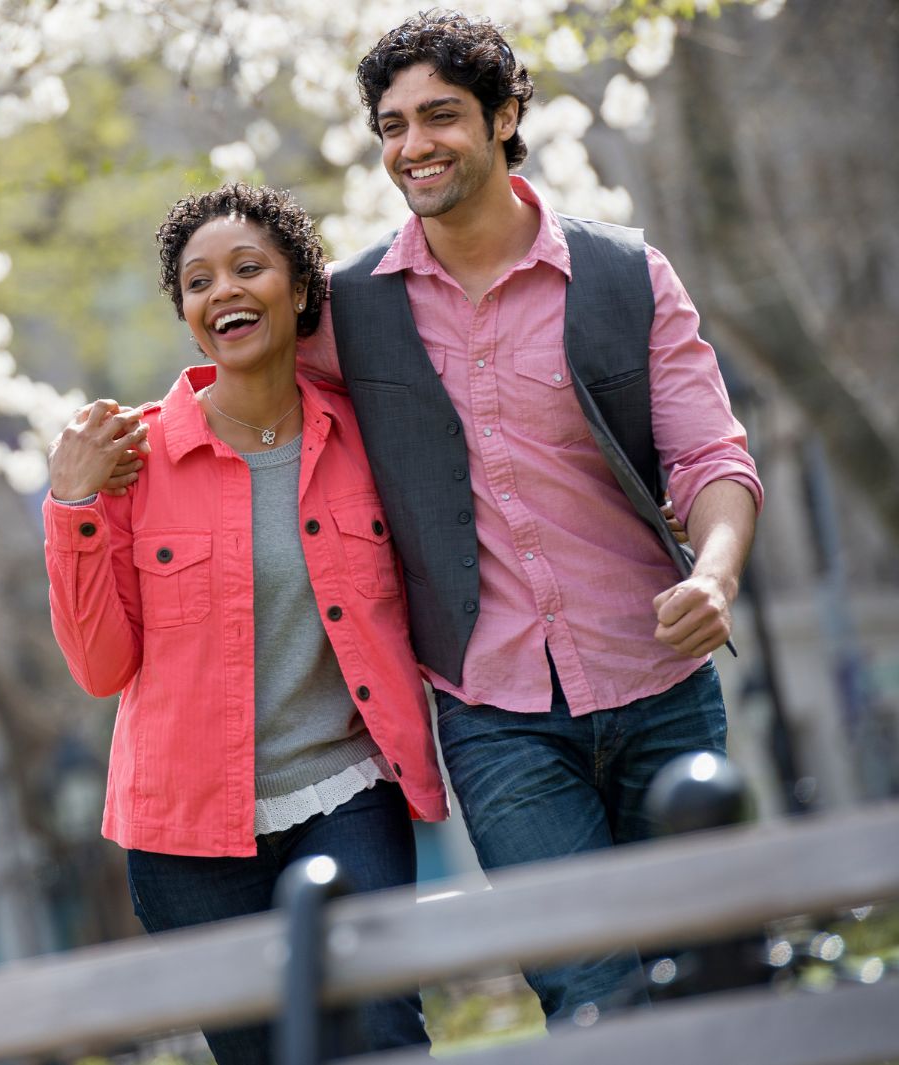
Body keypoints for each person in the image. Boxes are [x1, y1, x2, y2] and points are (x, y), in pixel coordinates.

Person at [295, 11, 764, 1027]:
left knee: (716, 983)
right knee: (591, 995)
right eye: (391, 125)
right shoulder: (347, 310)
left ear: (506, 117)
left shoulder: (622, 275)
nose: (411, 145)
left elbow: (710, 456)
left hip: (660, 681)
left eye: (440, 116)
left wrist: (716, 574)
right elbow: (236, 395)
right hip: (496, 712)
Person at [43, 182, 447, 1063]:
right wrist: (72, 504)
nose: (222, 290)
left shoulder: (365, 431)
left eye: (248, 268)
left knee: (381, 1032)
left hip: (345, 791)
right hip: (185, 833)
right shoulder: (135, 462)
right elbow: (101, 667)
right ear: (187, 316)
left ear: (300, 289)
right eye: (197, 282)